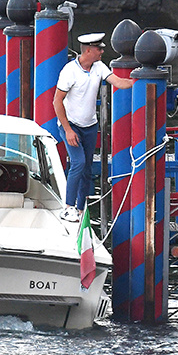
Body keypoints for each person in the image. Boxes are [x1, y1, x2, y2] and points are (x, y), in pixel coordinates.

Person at [53, 33, 135, 222]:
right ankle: (68, 207)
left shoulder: (99, 67)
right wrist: (67, 130)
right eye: (99, 49)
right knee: (78, 163)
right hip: (71, 125)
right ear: (88, 50)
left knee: (87, 168)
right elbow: (57, 101)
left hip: (90, 126)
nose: (102, 51)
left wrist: (139, 80)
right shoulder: (69, 71)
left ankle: (80, 210)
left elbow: (118, 83)